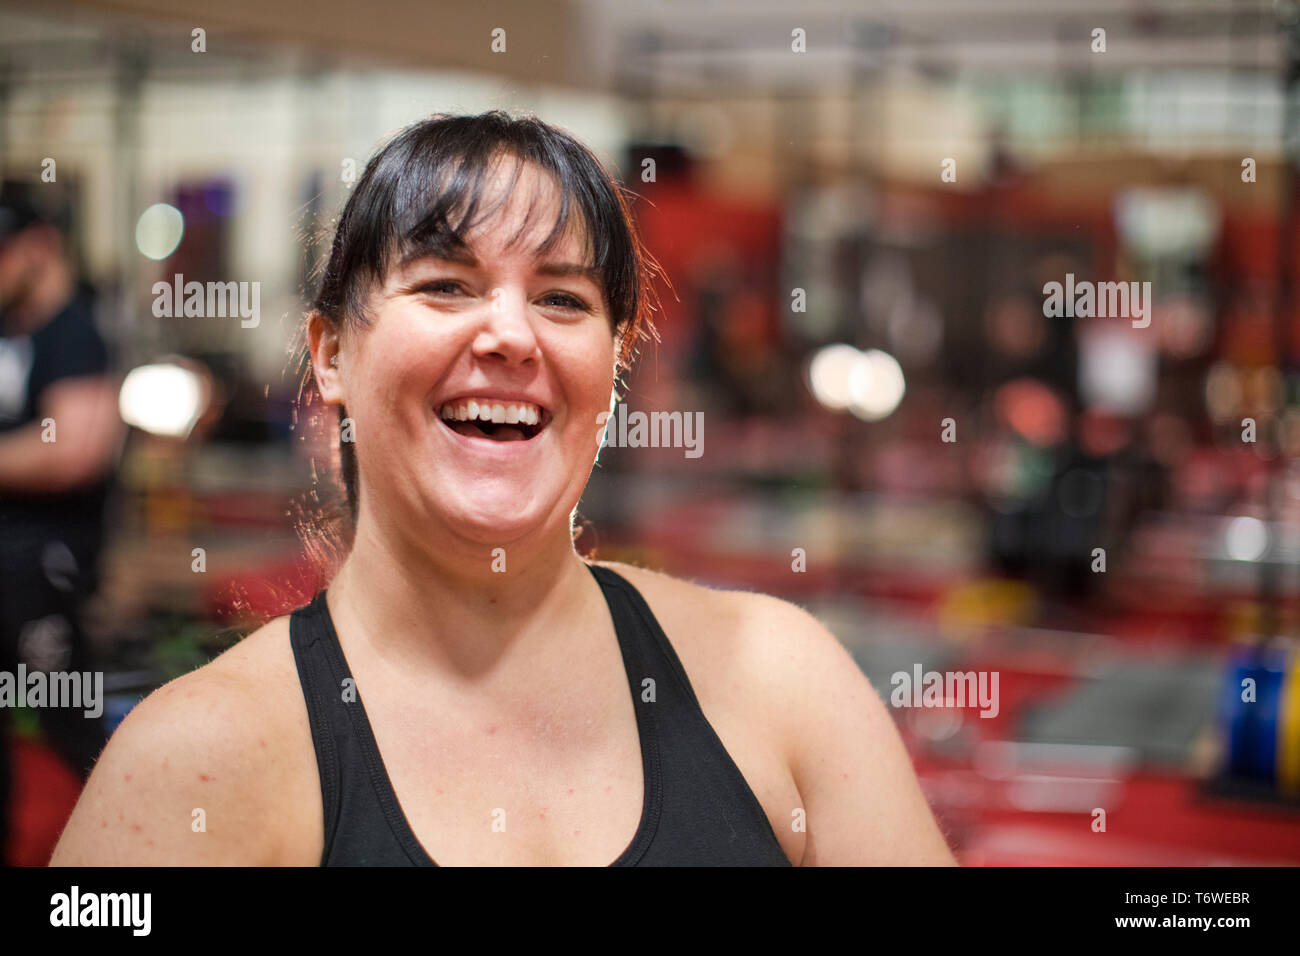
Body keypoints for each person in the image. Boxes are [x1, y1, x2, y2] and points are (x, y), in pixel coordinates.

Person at [50, 113, 955, 865]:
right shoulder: (194, 766)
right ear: (331, 355)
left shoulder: (783, 681)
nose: (512, 336)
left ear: (615, 365)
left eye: (563, 300)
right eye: (447, 285)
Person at [0, 182, 120, 864]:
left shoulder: (75, 333)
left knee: (71, 731)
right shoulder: (10, 332)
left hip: (44, 572)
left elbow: (74, 450)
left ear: (39, 247)